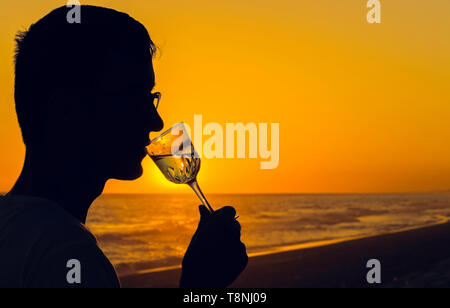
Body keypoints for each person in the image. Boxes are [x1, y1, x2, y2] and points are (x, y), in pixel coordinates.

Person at [0, 5, 247, 288]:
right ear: (67, 110)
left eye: (151, 97)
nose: (156, 120)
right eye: (135, 96)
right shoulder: (67, 257)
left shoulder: (13, 228)